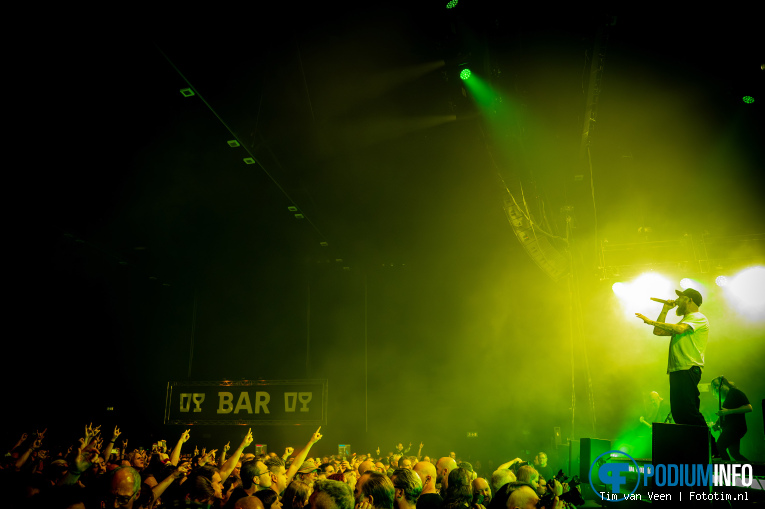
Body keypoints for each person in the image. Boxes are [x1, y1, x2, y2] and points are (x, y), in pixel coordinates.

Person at [635, 288, 709, 427]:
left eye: (681, 297)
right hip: (678, 369)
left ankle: (709, 446)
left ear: (689, 300)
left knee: (689, 412)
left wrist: (650, 321)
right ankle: (691, 445)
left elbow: (679, 329)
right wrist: (665, 310)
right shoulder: (685, 320)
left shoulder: (698, 317)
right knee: (679, 414)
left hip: (688, 368)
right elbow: (658, 331)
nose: (677, 300)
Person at [711, 376, 752, 462]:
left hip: (735, 427)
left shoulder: (735, 392)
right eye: (714, 386)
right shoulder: (727, 397)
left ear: (724, 384)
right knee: (735, 453)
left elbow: (749, 408)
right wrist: (717, 423)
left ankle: (726, 470)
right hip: (731, 428)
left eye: (717, 385)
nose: (716, 388)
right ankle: (754, 470)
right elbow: (724, 413)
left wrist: (729, 411)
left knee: (719, 446)